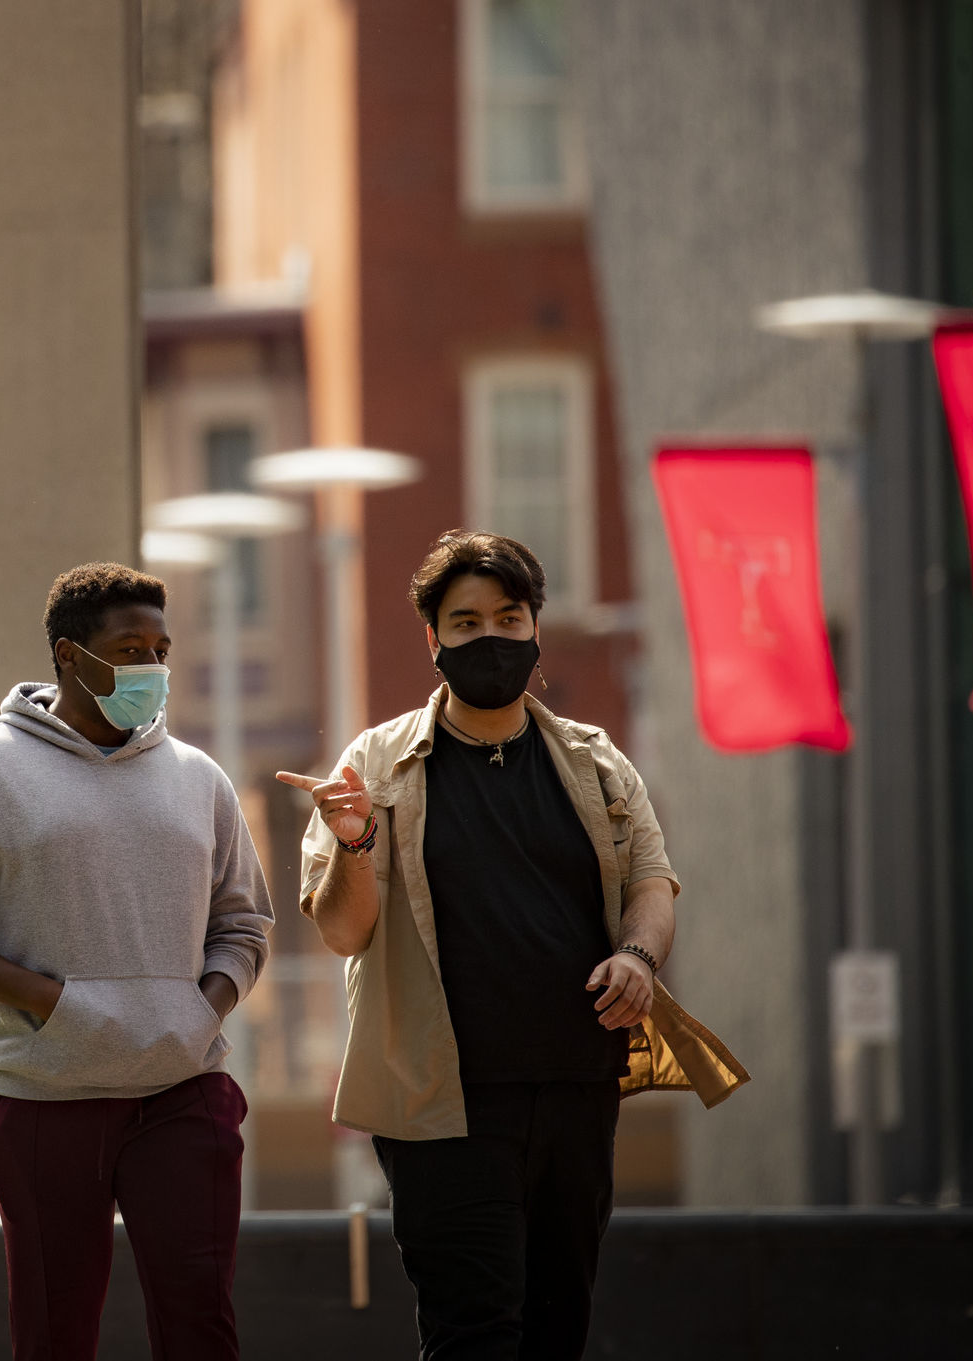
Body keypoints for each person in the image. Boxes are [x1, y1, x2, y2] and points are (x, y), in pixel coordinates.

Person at [278, 531, 746, 1361]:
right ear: (433, 641)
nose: (488, 637)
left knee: (555, 1332)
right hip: (438, 1105)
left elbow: (652, 881)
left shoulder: (596, 761)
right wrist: (353, 840)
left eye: (508, 616)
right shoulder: (373, 767)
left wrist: (636, 957)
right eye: (464, 623)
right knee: (474, 1336)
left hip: (576, 1087)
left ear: (536, 629)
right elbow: (344, 929)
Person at [0, 561, 273, 1361]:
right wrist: (54, 1004)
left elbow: (246, 922)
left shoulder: (199, 779)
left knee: (202, 1324)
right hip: (44, 1098)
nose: (153, 669)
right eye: (131, 649)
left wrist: (203, 1005)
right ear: (69, 655)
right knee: (55, 1333)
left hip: (183, 1090)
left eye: (162, 649)